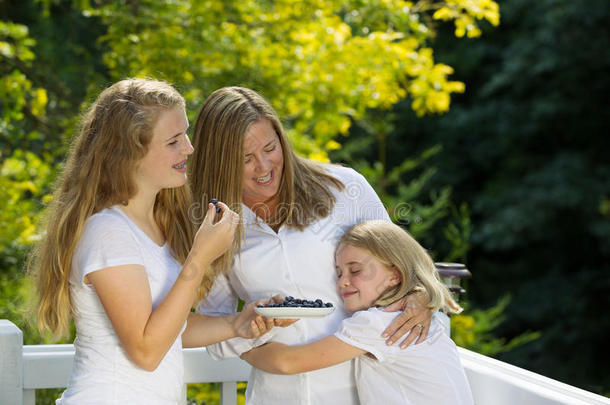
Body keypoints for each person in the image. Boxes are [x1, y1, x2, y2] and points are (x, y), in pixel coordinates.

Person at [28, 78, 276, 405]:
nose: (188, 148)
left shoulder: (155, 223)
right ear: (129, 153)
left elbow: (167, 330)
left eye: (185, 134)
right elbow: (146, 350)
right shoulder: (108, 232)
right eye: (173, 141)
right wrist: (199, 259)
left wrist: (237, 323)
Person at [188, 86, 433, 404]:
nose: (263, 166)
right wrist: (249, 327)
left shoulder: (345, 188)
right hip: (276, 395)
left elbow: (408, 271)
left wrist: (421, 297)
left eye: (270, 148)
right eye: (246, 159)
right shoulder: (216, 226)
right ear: (220, 163)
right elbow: (216, 335)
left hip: (365, 392)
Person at [241, 220, 473, 405]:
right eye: (339, 272)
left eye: (356, 270)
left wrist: (240, 344)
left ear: (395, 275)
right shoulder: (432, 317)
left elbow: (287, 363)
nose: (342, 282)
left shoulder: (379, 323)